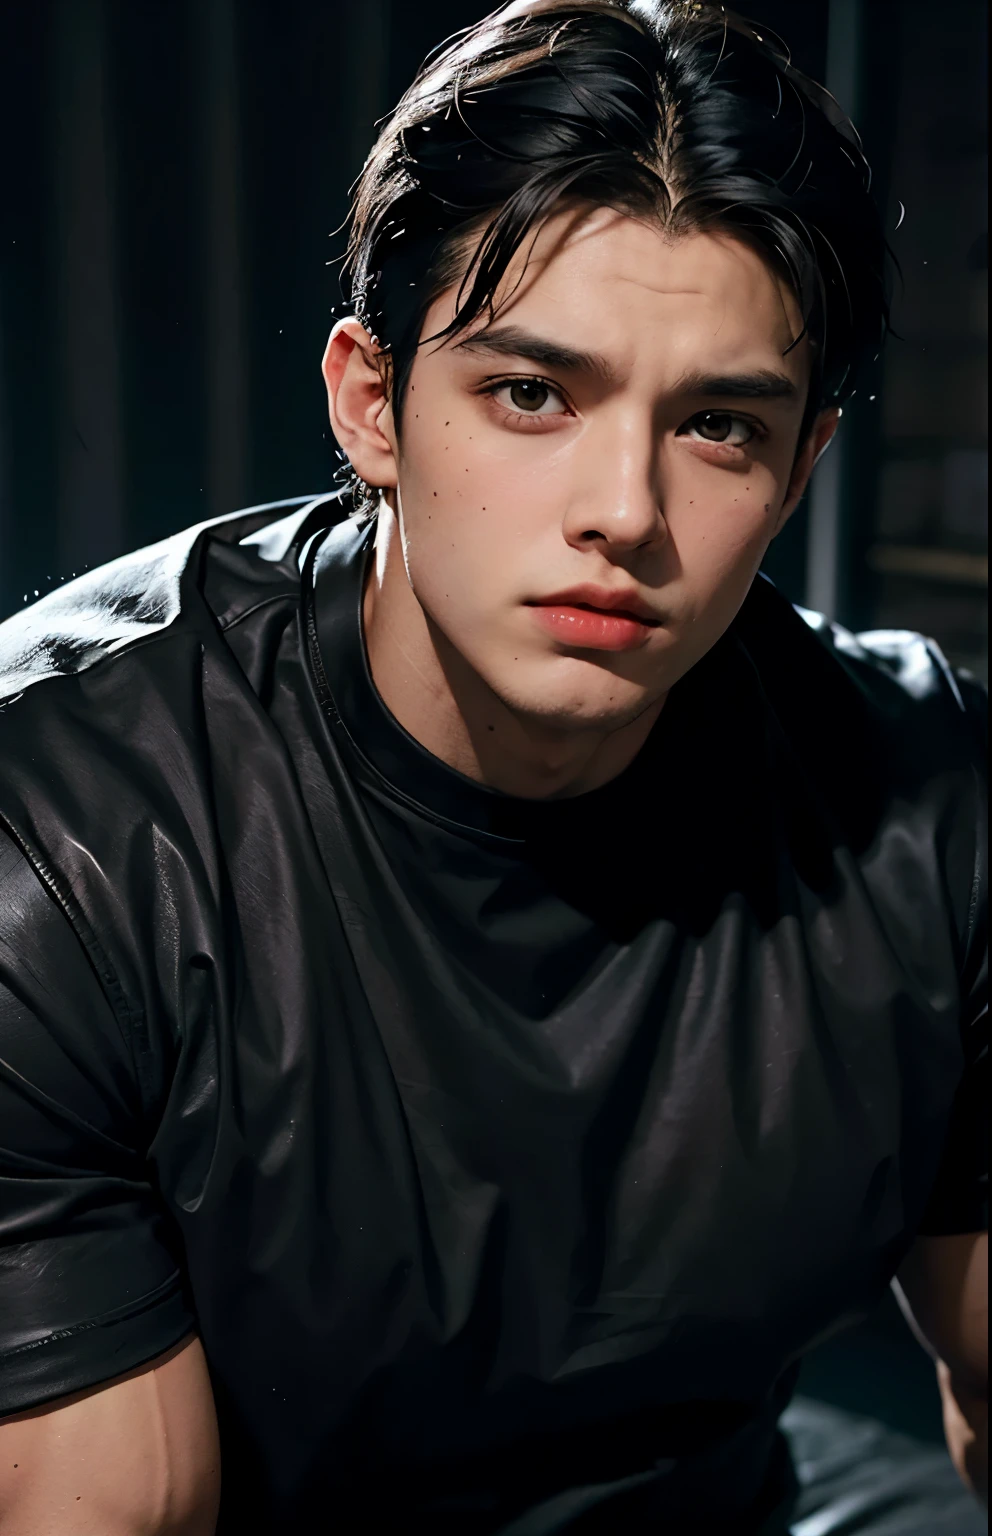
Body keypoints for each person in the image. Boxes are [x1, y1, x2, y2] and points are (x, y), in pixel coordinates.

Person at [0, 2, 986, 1532]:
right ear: (371, 402)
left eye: (718, 425)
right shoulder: (59, 839)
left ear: (798, 474)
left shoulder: (934, 804)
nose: (624, 510)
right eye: (533, 393)